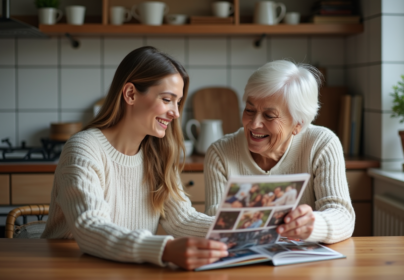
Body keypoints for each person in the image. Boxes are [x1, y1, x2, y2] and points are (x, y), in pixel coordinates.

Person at [41, 46, 228, 271]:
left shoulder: (157, 154)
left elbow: (183, 220)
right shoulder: (84, 148)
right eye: (167, 99)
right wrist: (164, 249)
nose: (176, 113)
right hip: (74, 271)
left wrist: (250, 227)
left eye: (177, 102)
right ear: (130, 94)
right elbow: (90, 227)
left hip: (125, 271)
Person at [204, 60, 355, 244]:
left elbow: (342, 215)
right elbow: (215, 223)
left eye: (269, 116)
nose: (254, 124)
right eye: (250, 110)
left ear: (298, 124)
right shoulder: (220, 154)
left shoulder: (321, 144)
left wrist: (313, 224)